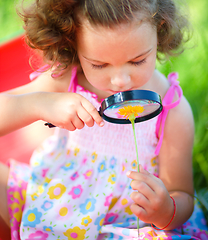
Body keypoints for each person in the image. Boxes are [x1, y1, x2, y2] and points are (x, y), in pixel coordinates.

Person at [0, 0, 207, 239]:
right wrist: (38, 103)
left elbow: (181, 193)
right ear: (73, 44)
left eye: (137, 60)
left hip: (129, 227)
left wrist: (167, 210)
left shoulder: (171, 110)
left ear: (159, 31)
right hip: (51, 204)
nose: (120, 81)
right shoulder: (67, 79)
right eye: (99, 65)